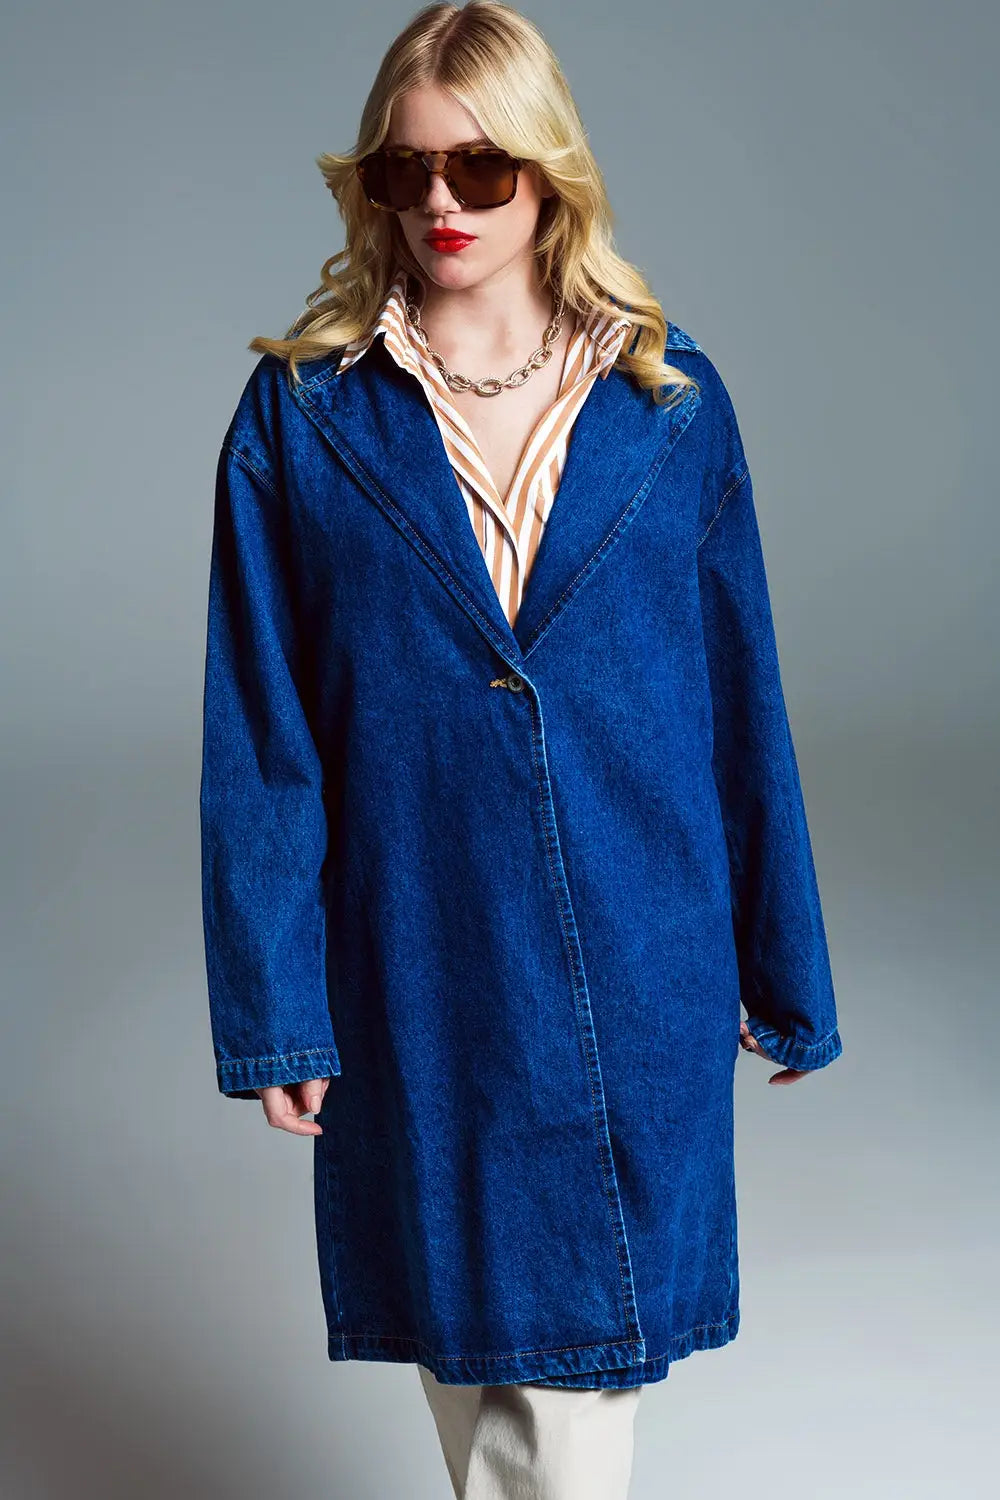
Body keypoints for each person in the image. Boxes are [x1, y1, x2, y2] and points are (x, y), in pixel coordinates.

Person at [198, 3, 843, 1496]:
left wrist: (783, 965)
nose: (440, 202)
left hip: (638, 939)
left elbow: (741, 701)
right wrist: (276, 1003)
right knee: (469, 1353)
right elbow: (263, 729)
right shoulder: (302, 418)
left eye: (480, 169)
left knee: (567, 1392)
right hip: (419, 951)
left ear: (550, 172)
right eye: (404, 171)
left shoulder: (669, 403)